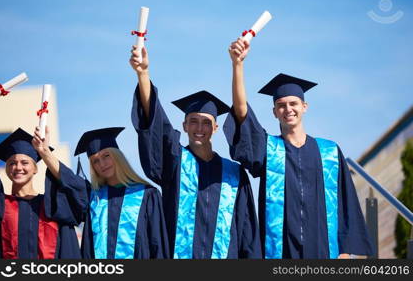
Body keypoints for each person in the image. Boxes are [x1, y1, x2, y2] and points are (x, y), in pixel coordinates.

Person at [223, 38, 374, 259]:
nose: (288, 109)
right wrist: (238, 65)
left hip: (324, 250)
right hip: (281, 252)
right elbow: (241, 112)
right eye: (281, 105)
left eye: (293, 103)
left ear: (305, 107)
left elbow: (346, 202)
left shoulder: (329, 152)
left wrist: (345, 252)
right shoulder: (269, 149)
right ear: (274, 112)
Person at [129, 45, 261, 259]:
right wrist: (143, 73)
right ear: (184, 126)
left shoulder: (234, 174)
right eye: (193, 122)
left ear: (215, 128)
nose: (200, 129)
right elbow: (156, 125)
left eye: (206, 123)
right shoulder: (174, 163)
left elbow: (247, 232)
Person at [76, 127, 169, 259]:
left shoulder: (147, 195)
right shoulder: (95, 200)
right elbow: (88, 249)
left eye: (106, 156)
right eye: (95, 161)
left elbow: (157, 244)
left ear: (117, 156)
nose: (102, 164)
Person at [0, 127, 87, 259]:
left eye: (25, 162)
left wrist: (44, 152)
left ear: (35, 169)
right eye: (12, 163)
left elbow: (79, 192)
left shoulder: (54, 206)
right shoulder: (2, 206)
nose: (18, 167)